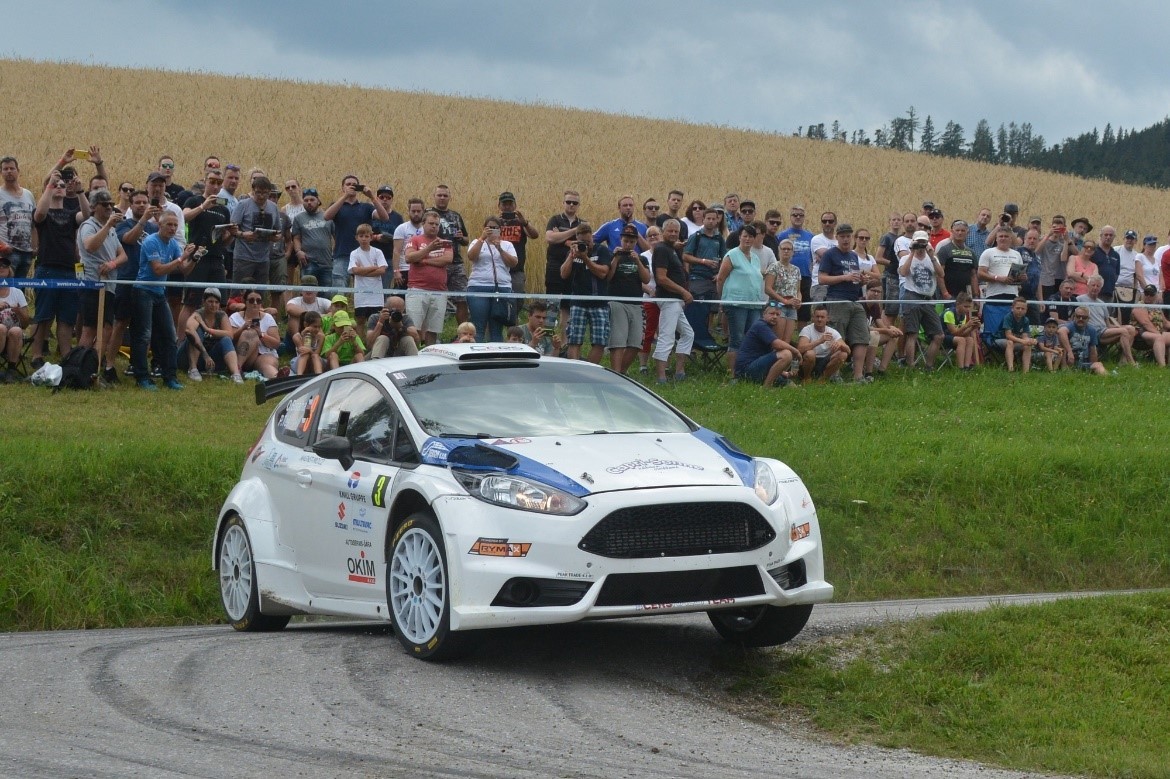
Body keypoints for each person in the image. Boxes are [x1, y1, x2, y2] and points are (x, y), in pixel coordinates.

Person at [29, 168, 88, 366]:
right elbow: (39, 215)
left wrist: (80, 192)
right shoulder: (43, 212)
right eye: (57, 186)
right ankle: (37, 355)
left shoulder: (72, 214)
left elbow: (87, 216)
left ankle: (66, 356)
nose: (60, 188)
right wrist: (49, 185)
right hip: (46, 268)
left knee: (66, 317)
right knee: (43, 315)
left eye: (63, 185)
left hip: (69, 271)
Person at [133, 212, 196, 390]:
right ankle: (142, 377)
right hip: (143, 291)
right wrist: (181, 258)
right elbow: (158, 270)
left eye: (175, 225)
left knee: (170, 335)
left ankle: (170, 376)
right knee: (144, 335)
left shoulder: (174, 244)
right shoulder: (151, 242)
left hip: (159, 293)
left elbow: (184, 270)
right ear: (160, 226)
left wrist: (194, 258)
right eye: (169, 224)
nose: (173, 228)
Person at [179, 167, 234, 336]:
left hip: (217, 259)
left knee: (220, 302)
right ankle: (180, 340)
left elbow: (224, 241)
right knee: (191, 302)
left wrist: (231, 234)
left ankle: (212, 337)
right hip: (197, 258)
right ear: (205, 182)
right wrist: (203, 206)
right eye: (212, 182)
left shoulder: (223, 209)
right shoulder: (194, 201)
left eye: (219, 183)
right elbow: (184, 217)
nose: (215, 186)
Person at [76, 189, 128, 354]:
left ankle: (95, 363)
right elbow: (90, 246)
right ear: (93, 207)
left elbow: (123, 256)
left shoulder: (111, 229)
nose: (109, 207)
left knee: (107, 327)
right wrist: (107, 225)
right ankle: (80, 364)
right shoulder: (88, 226)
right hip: (92, 282)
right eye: (104, 204)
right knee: (90, 327)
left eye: (111, 204)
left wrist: (113, 264)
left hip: (109, 284)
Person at [818, 223, 870, 383]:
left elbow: (854, 279)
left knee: (862, 336)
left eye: (848, 236)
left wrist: (862, 281)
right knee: (837, 336)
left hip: (855, 300)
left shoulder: (854, 256)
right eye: (842, 236)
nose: (846, 239)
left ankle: (858, 375)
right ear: (837, 238)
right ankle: (834, 373)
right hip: (837, 300)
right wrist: (844, 277)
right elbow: (822, 278)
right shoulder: (830, 254)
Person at [716, 224, 765, 375]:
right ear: (739, 237)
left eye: (751, 236)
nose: (748, 239)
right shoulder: (732, 255)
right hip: (736, 303)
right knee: (736, 339)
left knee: (752, 338)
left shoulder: (755, 258)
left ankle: (748, 370)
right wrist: (722, 301)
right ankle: (733, 374)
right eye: (745, 236)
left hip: (754, 304)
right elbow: (720, 279)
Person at [324, 175, 388, 289]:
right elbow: (326, 216)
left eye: (354, 184)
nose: (351, 186)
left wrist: (372, 197)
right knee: (339, 290)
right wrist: (345, 196)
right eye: (348, 184)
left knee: (365, 286)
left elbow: (384, 217)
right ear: (342, 188)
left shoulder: (366, 207)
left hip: (363, 254)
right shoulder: (338, 206)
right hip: (341, 254)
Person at [561, 224, 611, 363]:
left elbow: (603, 273)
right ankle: (575, 372)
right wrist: (571, 256)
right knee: (574, 339)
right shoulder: (574, 252)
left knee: (600, 341)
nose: (586, 246)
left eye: (588, 242)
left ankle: (589, 371)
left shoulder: (602, 251)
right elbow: (564, 274)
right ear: (576, 239)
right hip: (578, 301)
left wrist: (585, 259)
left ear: (592, 238)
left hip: (599, 301)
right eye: (582, 243)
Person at [652, 219, 693, 383]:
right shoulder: (662, 249)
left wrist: (677, 247)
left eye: (676, 231)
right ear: (663, 232)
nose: (674, 234)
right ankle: (661, 377)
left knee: (688, 334)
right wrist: (683, 292)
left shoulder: (670, 249)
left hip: (676, 301)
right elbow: (661, 278)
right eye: (670, 231)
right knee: (666, 337)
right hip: (670, 300)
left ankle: (679, 372)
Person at [605, 225, 651, 374]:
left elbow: (646, 279)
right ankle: (616, 372)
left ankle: (621, 373)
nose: (628, 244)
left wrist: (637, 261)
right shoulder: (613, 256)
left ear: (636, 242)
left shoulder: (642, 258)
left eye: (631, 242)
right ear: (621, 240)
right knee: (618, 341)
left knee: (636, 342)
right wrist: (615, 260)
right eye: (626, 241)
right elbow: (608, 278)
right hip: (617, 301)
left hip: (636, 303)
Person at [898, 230, 946, 370]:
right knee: (912, 333)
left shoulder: (932, 258)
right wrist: (912, 253)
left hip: (928, 298)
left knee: (938, 335)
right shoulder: (906, 258)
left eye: (923, 243)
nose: (920, 246)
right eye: (918, 243)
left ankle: (929, 365)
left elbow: (941, 274)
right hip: (912, 296)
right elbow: (903, 272)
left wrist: (931, 256)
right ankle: (910, 365)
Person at [404, 210, 453, 345]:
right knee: (414, 327)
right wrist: (428, 249)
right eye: (431, 223)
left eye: (437, 224)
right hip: (417, 289)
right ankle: (414, 354)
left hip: (439, 291)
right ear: (423, 224)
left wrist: (424, 260)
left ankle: (430, 354)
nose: (434, 227)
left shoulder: (444, 242)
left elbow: (447, 259)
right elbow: (409, 257)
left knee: (433, 329)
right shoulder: (414, 239)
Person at [466, 216, 517, 342]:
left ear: (500, 230)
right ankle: (476, 355)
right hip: (479, 287)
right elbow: (471, 256)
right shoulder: (476, 242)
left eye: (495, 228)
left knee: (496, 328)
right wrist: (482, 239)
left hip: (501, 289)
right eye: (489, 227)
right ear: (484, 228)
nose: (492, 230)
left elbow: (513, 263)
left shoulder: (507, 245)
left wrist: (500, 249)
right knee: (478, 326)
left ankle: (496, 357)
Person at [230, 176, 282, 293]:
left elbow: (278, 231)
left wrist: (276, 237)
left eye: (265, 193)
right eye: (258, 192)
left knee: (259, 294)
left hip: (263, 258)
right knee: (238, 292)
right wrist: (243, 234)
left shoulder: (273, 207)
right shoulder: (243, 204)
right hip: (243, 257)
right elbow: (232, 228)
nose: (261, 196)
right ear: (253, 191)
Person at [184, 287, 243, 383]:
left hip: (211, 358)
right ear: (203, 302)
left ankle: (236, 374)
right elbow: (189, 331)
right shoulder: (197, 314)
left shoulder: (221, 315)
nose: (213, 305)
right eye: (210, 301)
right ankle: (193, 369)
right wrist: (205, 354)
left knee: (226, 339)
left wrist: (207, 329)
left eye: (216, 302)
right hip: (193, 355)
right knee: (196, 332)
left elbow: (230, 334)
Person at [1077, 274, 1137, 366]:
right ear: (1088, 286)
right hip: (1093, 331)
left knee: (1131, 329)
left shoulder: (1102, 303)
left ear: (1101, 288)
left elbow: (1107, 324)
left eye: (1098, 286)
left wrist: (1118, 326)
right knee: (1124, 332)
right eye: (1093, 285)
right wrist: (1120, 329)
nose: (1095, 288)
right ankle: (1131, 362)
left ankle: (1123, 360)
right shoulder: (1079, 299)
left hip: (1104, 330)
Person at [430, 184, 469, 323]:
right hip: (436, 262)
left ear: (450, 198)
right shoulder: (428, 214)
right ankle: (434, 335)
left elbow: (466, 240)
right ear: (433, 196)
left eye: (445, 195)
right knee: (436, 299)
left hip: (456, 262)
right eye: (439, 195)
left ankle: (463, 334)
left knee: (462, 299)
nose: (442, 198)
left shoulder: (456, 216)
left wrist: (461, 237)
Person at [734, 302, 799, 387]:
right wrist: (796, 351)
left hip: (756, 366)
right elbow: (777, 345)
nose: (775, 317)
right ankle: (766, 387)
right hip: (746, 370)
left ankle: (773, 381)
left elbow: (768, 358)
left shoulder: (768, 328)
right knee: (786, 354)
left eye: (777, 314)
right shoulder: (760, 325)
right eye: (772, 313)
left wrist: (784, 373)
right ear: (764, 314)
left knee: (791, 386)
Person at [543, 190, 582, 326]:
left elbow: (583, 244)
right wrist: (573, 232)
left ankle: (565, 343)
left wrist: (560, 236)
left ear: (578, 205)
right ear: (563, 203)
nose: (571, 205)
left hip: (574, 268)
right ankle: (547, 337)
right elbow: (549, 238)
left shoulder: (582, 223)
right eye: (568, 202)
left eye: (575, 203)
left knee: (567, 306)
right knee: (551, 305)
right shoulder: (555, 219)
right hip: (554, 267)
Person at [0, 156, 38, 279]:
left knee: (19, 291)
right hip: (6, 253)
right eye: (5, 169)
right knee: (6, 290)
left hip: (26, 253)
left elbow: (33, 224)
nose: (9, 171)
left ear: (18, 171)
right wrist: (2, 245)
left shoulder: (28, 195)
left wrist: (34, 247)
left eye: (12, 168)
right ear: (1, 172)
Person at [291, 187, 335, 288]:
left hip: (327, 263)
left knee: (326, 295)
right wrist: (298, 251)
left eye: (312, 200)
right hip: (308, 262)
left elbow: (336, 236)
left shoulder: (328, 216)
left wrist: (335, 254)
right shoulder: (299, 218)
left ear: (318, 200)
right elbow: (296, 238)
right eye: (306, 200)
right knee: (308, 293)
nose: (309, 202)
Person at [229, 291, 280, 379]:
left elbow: (276, 344)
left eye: (258, 301)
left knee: (267, 365)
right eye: (251, 300)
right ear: (245, 302)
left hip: (263, 354)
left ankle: (277, 378)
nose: (255, 303)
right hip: (243, 356)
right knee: (250, 333)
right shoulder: (235, 317)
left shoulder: (268, 317)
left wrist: (261, 334)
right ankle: (237, 369)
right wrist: (242, 328)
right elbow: (230, 339)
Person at [495, 191, 538, 293]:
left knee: (517, 299)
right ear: (499, 206)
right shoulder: (495, 222)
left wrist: (525, 223)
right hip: (498, 269)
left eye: (510, 204)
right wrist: (497, 224)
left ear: (515, 205)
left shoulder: (521, 223)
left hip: (516, 270)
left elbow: (534, 235)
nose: (507, 207)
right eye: (504, 204)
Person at [348, 223, 389, 323]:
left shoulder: (378, 252)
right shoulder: (354, 253)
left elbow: (382, 270)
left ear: (371, 237)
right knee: (360, 321)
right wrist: (373, 267)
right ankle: (361, 339)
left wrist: (362, 271)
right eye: (361, 236)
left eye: (366, 236)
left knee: (376, 320)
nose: (364, 239)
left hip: (376, 295)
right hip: (361, 294)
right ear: (356, 238)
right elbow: (355, 270)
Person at [764, 238, 801, 344]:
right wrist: (784, 301)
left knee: (787, 340)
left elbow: (798, 290)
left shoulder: (796, 270)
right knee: (777, 339)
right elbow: (768, 289)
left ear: (792, 252)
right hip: (778, 307)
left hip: (792, 308)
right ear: (779, 250)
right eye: (784, 249)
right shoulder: (773, 267)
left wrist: (799, 300)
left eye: (789, 249)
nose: (786, 251)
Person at [797, 305, 849, 382]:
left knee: (843, 354)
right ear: (813, 318)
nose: (819, 319)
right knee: (810, 354)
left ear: (827, 319)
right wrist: (820, 341)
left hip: (825, 361)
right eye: (817, 317)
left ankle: (823, 379)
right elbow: (800, 349)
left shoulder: (832, 332)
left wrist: (841, 345)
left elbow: (848, 350)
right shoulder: (807, 329)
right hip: (809, 361)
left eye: (822, 317)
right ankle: (806, 378)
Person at [0, 256, 29, 381]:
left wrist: (20, 312)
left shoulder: (17, 292)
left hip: (14, 332)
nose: (1, 267)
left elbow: (26, 323)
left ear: (9, 270)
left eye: (4, 265)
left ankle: (11, 370)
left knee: (17, 331)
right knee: (1, 328)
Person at [371, 185, 403, 295]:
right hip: (372, 257)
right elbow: (360, 234)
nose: (385, 200)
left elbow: (401, 239)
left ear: (392, 199)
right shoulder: (370, 214)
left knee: (384, 290)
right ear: (377, 198)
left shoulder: (398, 218)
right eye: (382, 197)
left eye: (388, 197)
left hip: (389, 257)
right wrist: (376, 237)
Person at [978, 226, 1025, 302]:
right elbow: (980, 274)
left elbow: (1019, 277)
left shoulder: (1017, 254)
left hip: (1013, 296)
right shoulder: (988, 252)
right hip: (994, 295)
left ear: (1011, 239)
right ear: (996, 239)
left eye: (1006, 236)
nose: (1003, 238)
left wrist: (1022, 278)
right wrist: (998, 278)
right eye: (1001, 236)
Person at [936, 219, 979, 299]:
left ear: (967, 233)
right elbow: (939, 274)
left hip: (966, 296)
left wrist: (976, 295)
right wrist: (945, 293)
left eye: (963, 230)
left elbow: (973, 275)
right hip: (949, 295)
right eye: (957, 230)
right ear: (952, 232)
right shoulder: (944, 250)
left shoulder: (971, 252)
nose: (960, 233)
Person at [390, 197, 425, 294]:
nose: (416, 214)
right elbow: (396, 251)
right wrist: (396, 271)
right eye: (413, 211)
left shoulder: (426, 230)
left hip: (422, 270)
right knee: (399, 300)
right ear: (409, 211)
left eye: (418, 211)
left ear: (423, 211)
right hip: (404, 269)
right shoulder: (402, 228)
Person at [1059, 306, 1107, 375]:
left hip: (1083, 362)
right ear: (1074, 317)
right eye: (1078, 316)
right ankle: (1065, 369)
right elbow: (1061, 331)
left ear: (1088, 319)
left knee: (1098, 365)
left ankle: (1109, 378)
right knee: (1062, 342)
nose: (1080, 319)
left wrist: (1093, 365)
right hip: (1069, 361)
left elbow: (1093, 350)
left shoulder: (1092, 330)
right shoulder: (1071, 326)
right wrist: (1070, 352)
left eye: (1084, 317)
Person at [942, 291, 981, 371]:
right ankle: (960, 368)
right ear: (957, 304)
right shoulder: (949, 313)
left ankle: (967, 366)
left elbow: (962, 334)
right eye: (965, 306)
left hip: (953, 337)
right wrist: (966, 325)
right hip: (942, 337)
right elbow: (954, 332)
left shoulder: (963, 315)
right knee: (961, 340)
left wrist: (972, 328)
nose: (968, 309)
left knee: (970, 339)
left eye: (969, 307)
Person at [1132, 285, 1170, 366]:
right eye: (1146, 293)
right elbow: (1146, 324)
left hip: (1156, 332)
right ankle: (1162, 366)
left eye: (1151, 294)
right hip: (1141, 333)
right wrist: (1158, 334)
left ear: (1156, 295)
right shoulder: (1139, 305)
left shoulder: (1156, 307)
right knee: (1159, 338)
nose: (1148, 296)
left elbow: (1166, 323)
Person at [1036, 215, 1073, 299]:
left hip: (1058, 277)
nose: (1057, 230)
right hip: (1045, 278)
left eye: (1060, 228)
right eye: (1055, 227)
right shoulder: (1044, 239)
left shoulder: (1063, 242)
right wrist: (1048, 235)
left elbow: (1063, 258)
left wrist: (1066, 241)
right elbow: (1036, 251)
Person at [995, 297, 1035, 372]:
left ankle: (1026, 371)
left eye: (1023, 309)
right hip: (1000, 339)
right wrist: (1023, 341)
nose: (1020, 310)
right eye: (1018, 308)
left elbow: (1025, 336)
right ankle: (1011, 369)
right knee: (1010, 342)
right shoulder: (1008, 317)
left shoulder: (1025, 320)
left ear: (1026, 310)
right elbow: (1008, 335)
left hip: (1015, 341)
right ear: (1012, 308)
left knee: (1028, 345)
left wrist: (1030, 341)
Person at [292, 310, 325, 376]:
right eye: (315, 326)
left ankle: (319, 375)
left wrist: (310, 350)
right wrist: (305, 335)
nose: (317, 329)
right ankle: (299, 375)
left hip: (315, 362)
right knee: (305, 354)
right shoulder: (297, 337)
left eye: (319, 327)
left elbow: (317, 353)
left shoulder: (321, 337)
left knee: (314, 355)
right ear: (305, 325)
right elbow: (302, 351)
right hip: (301, 362)